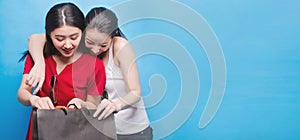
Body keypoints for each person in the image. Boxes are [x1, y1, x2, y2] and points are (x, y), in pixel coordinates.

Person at [27, 7, 153, 140]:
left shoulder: (120, 46)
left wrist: (116, 105)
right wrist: (39, 62)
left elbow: (135, 92)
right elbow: (35, 38)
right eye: (90, 42)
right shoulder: (74, 43)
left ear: (112, 36)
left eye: (103, 45)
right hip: (102, 129)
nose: (95, 49)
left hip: (130, 130)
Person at [17, 3, 106, 140]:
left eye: (74, 37)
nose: (68, 45)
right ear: (49, 36)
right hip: (41, 130)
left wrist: (81, 104)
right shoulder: (38, 57)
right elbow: (22, 93)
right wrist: (33, 99)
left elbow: (93, 105)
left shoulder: (94, 65)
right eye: (60, 38)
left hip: (76, 132)